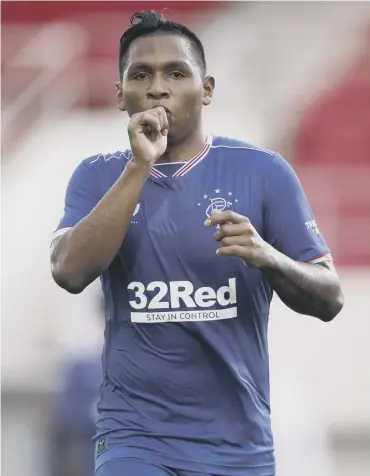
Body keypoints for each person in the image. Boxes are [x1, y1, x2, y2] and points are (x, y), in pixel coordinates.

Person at [50, 10, 344, 476]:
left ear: (206, 89)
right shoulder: (97, 174)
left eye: (176, 73)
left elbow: (330, 298)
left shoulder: (264, 172)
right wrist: (138, 167)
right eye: (141, 74)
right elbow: (68, 271)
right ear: (120, 94)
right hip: (133, 440)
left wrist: (269, 257)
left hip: (237, 445)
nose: (158, 87)